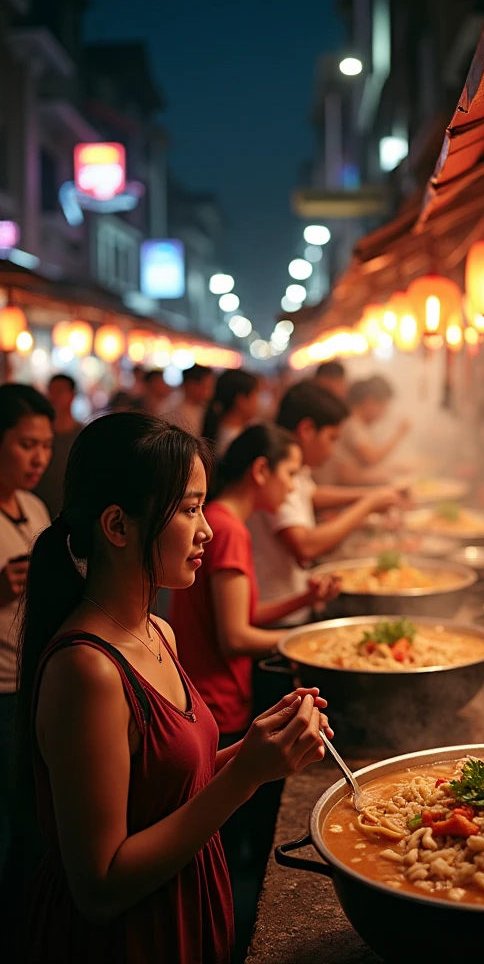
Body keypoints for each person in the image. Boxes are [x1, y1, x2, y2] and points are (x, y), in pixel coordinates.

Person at [14, 412, 330, 964]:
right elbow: (101, 887)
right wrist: (249, 775)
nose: (206, 529)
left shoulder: (159, 630)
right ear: (117, 527)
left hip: (186, 901)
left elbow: (173, 785)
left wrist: (260, 746)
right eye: (188, 509)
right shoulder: (87, 670)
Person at [171, 423, 340, 738]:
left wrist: (306, 599)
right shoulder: (228, 528)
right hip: (216, 701)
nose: (292, 489)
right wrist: (308, 642)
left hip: (209, 696)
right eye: (290, 474)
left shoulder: (223, 520)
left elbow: (244, 615)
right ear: (261, 470)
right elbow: (234, 637)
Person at [249, 382, 403, 624]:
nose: (332, 451)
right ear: (307, 429)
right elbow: (305, 546)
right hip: (276, 615)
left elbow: (312, 494)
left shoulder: (292, 466)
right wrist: (368, 504)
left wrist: (369, 496)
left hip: (289, 606)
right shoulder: (277, 471)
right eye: (331, 438)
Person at [0, 385, 53, 879]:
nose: (38, 457)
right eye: (25, 444)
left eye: (46, 446)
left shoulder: (35, 509)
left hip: (32, 683)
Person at [325, 376, 410, 486]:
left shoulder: (357, 424)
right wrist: (400, 433)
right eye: (383, 406)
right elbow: (371, 458)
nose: (384, 412)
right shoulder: (351, 424)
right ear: (369, 402)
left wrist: (394, 468)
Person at [35, 375, 83, 519]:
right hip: (39, 509)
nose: (54, 397)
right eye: (51, 391)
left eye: (60, 391)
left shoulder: (82, 435)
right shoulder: (39, 435)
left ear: (72, 395)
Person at [202, 369, 260, 455]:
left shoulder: (223, 429)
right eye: (255, 396)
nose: (257, 402)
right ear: (241, 401)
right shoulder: (234, 439)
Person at [165, 364, 215, 436]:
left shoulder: (205, 409)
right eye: (207, 387)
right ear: (191, 385)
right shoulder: (177, 413)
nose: (210, 392)